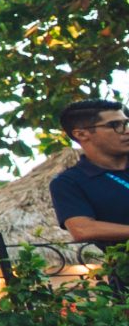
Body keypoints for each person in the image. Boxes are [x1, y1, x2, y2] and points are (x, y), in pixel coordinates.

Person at [51, 97, 129, 244]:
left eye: (126, 123)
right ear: (81, 134)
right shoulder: (69, 182)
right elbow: (82, 229)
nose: (126, 131)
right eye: (115, 125)